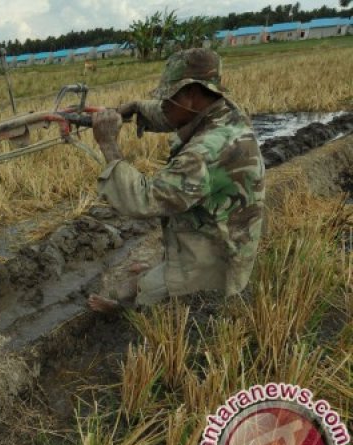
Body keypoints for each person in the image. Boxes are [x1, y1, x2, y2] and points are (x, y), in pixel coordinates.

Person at [87, 48, 265, 312]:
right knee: (141, 278)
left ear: (191, 94)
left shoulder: (205, 152)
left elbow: (143, 201)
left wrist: (109, 144)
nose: (163, 105)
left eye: (168, 98)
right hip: (224, 235)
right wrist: (136, 108)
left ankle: (135, 309)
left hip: (219, 261)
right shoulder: (225, 113)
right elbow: (172, 115)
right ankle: (164, 272)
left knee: (144, 291)